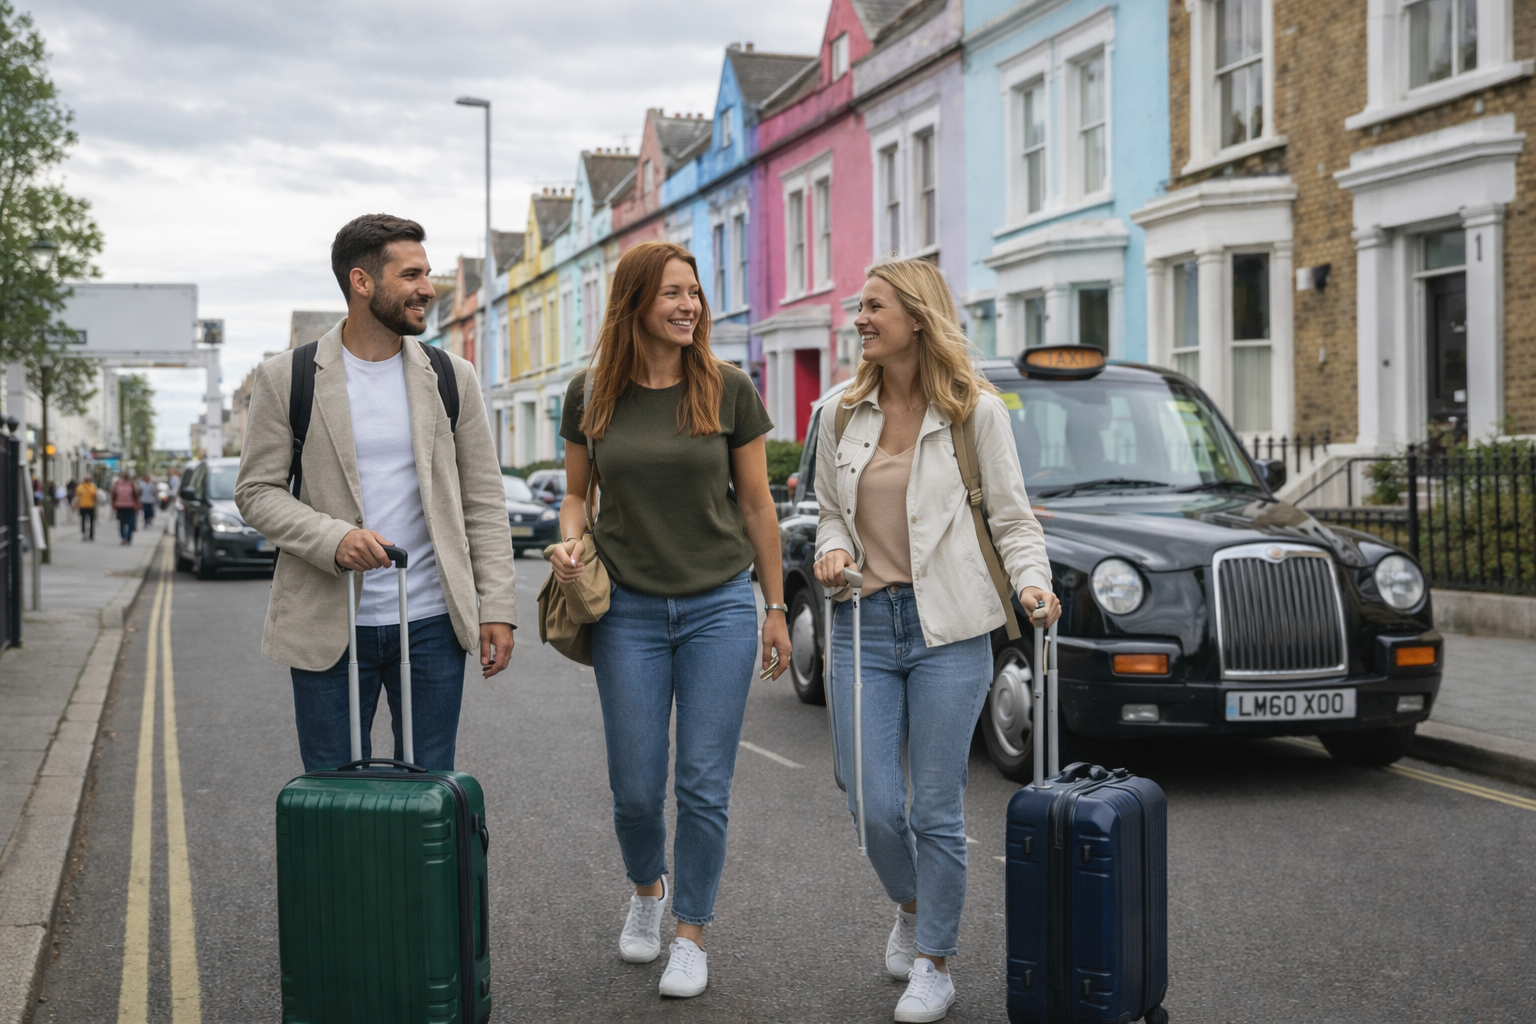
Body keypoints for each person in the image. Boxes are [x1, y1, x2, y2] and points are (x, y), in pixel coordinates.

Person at [812, 258, 1061, 1023]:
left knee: (937, 809)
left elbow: (1014, 518)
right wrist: (829, 552)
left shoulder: (974, 412)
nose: (860, 319)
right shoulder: (838, 412)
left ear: (916, 318)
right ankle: (915, 905)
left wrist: (1032, 581)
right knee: (869, 800)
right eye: (859, 307)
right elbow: (828, 510)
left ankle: (936, 962)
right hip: (862, 626)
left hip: (949, 627)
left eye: (874, 307)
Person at [549, 241, 791, 1001]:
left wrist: (776, 607)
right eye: (672, 294)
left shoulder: (727, 388)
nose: (689, 305)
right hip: (627, 610)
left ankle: (691, 931)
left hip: (720, 603)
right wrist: (569, 540)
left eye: (695, 292)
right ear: (635, 305)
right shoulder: (591, 394)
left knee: (704, 782)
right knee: (633, 785)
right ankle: (647, 890)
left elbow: (757, 505)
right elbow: (576, 496)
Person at [235, 213, 516, 773]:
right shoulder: (288, 377)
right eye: (411, 275)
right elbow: (257, 492)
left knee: (429, 795)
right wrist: (333, 538)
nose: (428, 289)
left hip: (433, 621)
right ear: (362, 282)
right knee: (335, 799)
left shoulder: (452, 376)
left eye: (427, 274)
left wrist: (499, 607)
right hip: (328, 622)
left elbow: (483, 500)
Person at [110, 470, 140, 544]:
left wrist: (113, 504)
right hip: (130, 506)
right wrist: (137, 504)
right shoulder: (132, 484)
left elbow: (112, 494)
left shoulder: (116, 484)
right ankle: (128, 538)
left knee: (122, 523)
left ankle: (123, 537)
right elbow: (136, 494)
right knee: (131, 523)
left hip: (120, 506)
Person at [74, 475, 98, 541]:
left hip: (82, 506)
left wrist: (75, 506)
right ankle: (91, 535)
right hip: (91, 506)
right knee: (91, 521)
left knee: (83, 521)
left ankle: (84, 535)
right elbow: (95, 496)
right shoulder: (93, 487)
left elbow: (77, 496)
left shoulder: (80, 487)